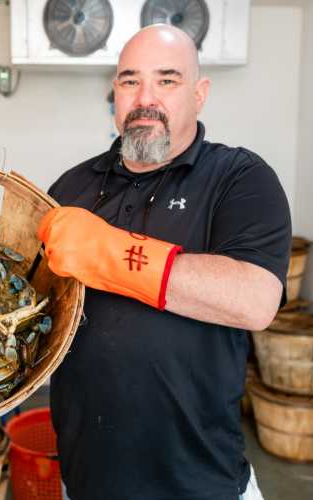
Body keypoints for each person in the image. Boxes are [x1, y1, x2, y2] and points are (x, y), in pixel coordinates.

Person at [37, 24, 291, 500]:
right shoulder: (70, 189)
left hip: (204, 485)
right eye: (129, 80)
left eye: (167, 80)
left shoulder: (239, 178)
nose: (144, 98)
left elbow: (256, 299)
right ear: (114, 92)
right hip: (86, 482)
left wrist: (108, 252)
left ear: (199, 94)